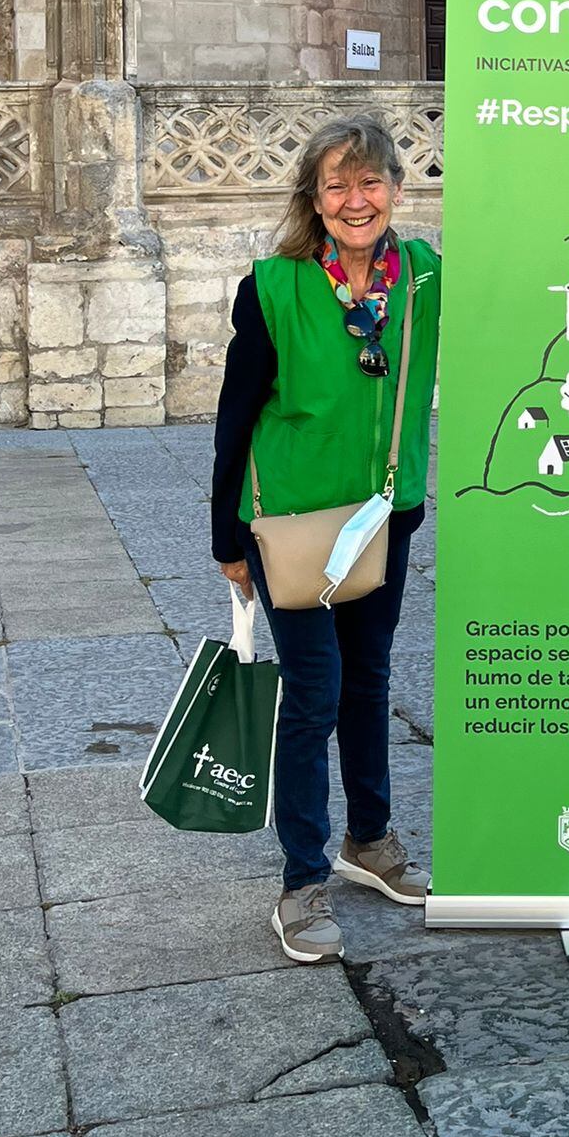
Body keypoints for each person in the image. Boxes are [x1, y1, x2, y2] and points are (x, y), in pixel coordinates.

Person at [212, 115, 440, 965]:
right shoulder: (271, 287)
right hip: (293, 525)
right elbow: (236, 418)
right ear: (314, 197)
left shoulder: (422, 277)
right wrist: (225, 537)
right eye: (338, 184)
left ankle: (369, 841)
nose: (357, 200)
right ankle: (302, 880)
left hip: (383, 514)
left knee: (369, 680)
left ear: (397, 192)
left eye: (372, 182)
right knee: (313, 692)